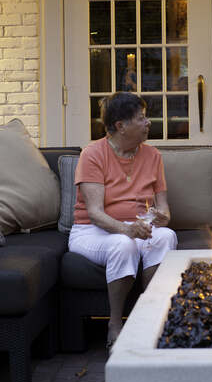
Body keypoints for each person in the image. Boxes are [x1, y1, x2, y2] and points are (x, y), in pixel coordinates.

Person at [69, 92, 177, 349]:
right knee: (122, 244)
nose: (148, 123)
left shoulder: (153, 156)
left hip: (138, 228)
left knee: (167, 237)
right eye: (141, 119)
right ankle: (115, 323)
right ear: (121, 126)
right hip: (92, 231)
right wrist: (128, 230)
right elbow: (95, 212)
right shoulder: (93, 154)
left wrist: (162, 218)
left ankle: (149, 317)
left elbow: (164, 208)